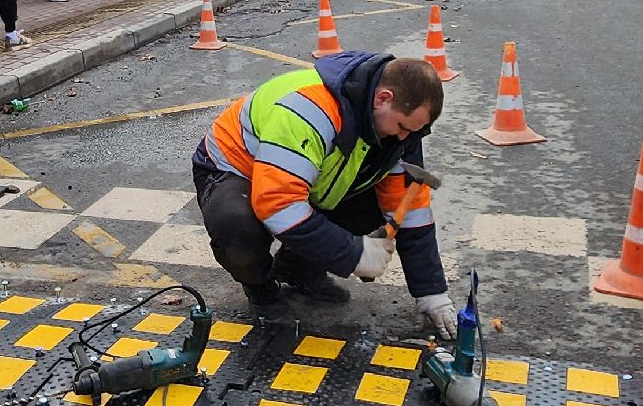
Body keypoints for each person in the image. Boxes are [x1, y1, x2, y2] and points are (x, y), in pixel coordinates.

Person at [193, 53, 459, 336]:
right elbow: (279, 206)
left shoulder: (401, 131)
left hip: (308, 176)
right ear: (383, 98)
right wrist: (352, 253)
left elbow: (409, 210)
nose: (404, 137)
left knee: (373, 208)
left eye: (414, 131)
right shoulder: (308, 109)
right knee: (236, 225)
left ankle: (297, 268)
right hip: (235, 170)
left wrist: (432, 293)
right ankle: (261, 289)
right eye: (403, 127)